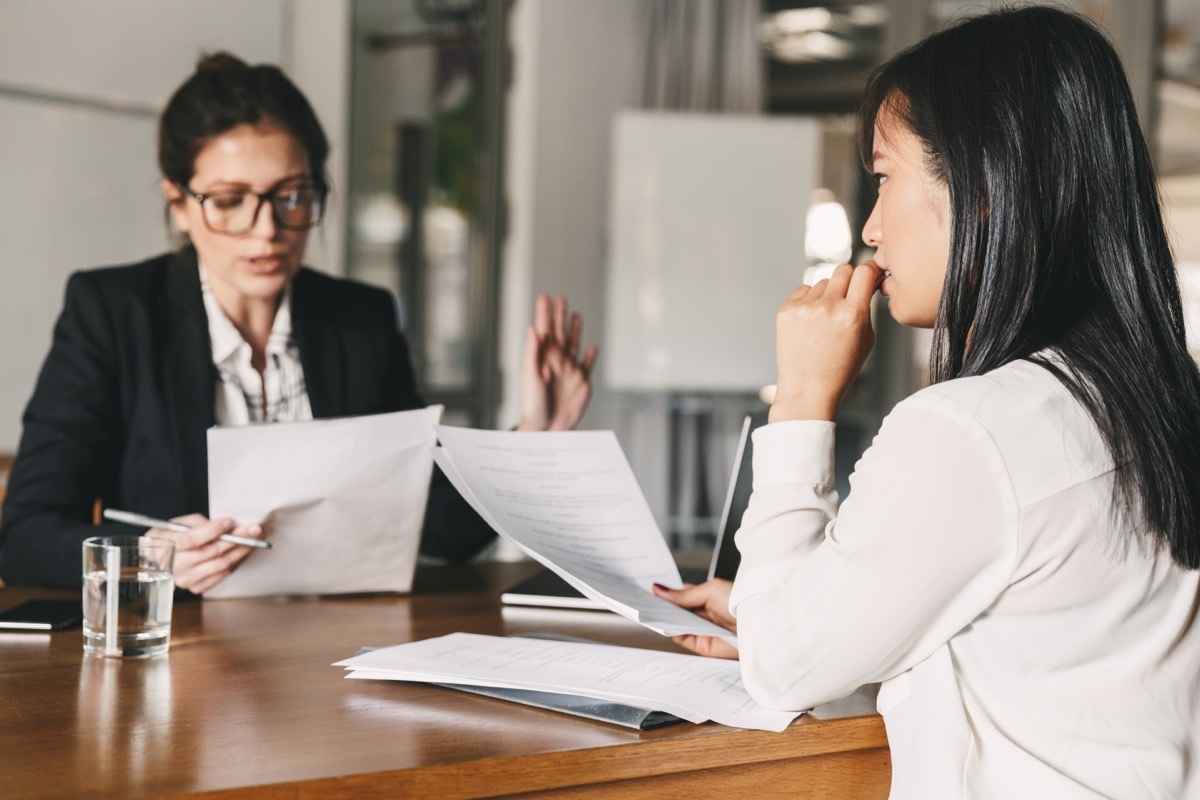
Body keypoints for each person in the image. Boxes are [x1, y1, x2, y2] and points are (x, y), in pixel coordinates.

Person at [654, 6, 1200, 799]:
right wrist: (797, 610)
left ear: (983, 187)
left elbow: (783, 672)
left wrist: (804, 397)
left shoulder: (974, 429)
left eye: (883, 178)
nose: (871, 228)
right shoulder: (1157, 403)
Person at [0, 53, 597, 594]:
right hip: (183, 667)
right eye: (230, 200)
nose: (267, 230)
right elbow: (24, 535)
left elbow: (437, 529)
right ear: (179, 204)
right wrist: (148, 557)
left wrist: (532, 437)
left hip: (338, 659)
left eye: (293, 195)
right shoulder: (112, 312)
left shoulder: (360, 320)